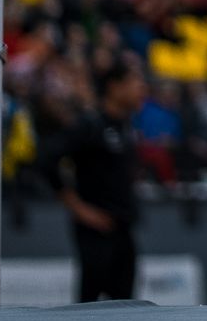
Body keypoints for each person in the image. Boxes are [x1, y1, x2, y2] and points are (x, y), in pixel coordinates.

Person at [53, 62, 147, 302]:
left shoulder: (126, 126)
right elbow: (46, 161)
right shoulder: (90, 124)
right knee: (90, 306)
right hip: (96, 231)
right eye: (136, 83)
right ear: (115, 87)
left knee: (126, 307)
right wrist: (79, 209)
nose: (142, 90)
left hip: (123, 228)